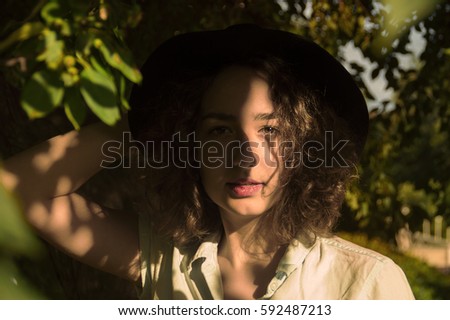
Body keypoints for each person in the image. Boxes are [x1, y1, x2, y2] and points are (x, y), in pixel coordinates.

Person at [0, 24, 414, 299]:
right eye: (219, 130)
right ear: (189, 144)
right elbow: (14, 190)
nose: (245, 155)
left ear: (303, 149)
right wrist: (141, 123)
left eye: (270, 131)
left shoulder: (367, 283)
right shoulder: (163, 258)